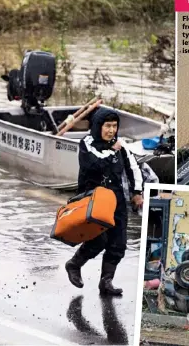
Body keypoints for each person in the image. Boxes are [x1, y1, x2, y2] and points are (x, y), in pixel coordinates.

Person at [65, 108, 144, 296]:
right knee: (98, 240)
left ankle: (106, 281)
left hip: (115, 199)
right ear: (98, 126)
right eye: (107, 126)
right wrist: (112, 151)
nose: (111, 130)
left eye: (114, 126)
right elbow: (94, 164)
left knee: (118, 242)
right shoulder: (87, 143)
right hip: (93, 198)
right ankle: (74, 264)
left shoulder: (119, 145)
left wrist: (137, 192)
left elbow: (133, 167)